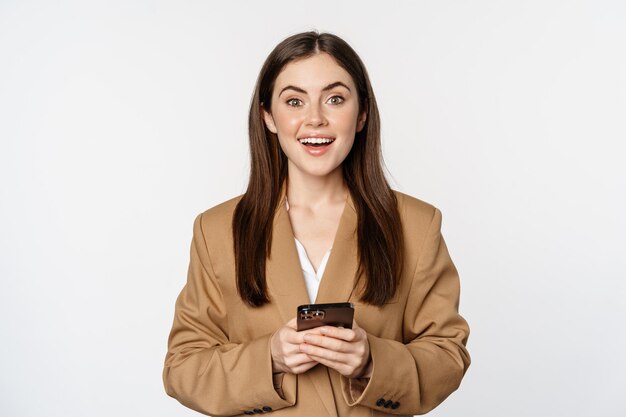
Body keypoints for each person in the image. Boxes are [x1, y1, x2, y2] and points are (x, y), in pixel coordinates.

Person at [163, 31, 470, 416]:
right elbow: (182, 368)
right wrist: (269, 357)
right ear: (268, 116)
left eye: (335, 99)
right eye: (294, 101)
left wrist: (372, 360)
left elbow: (447, 354)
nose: (315, 119)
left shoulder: (415, 225)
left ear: (361, 114)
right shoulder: (217, 230)